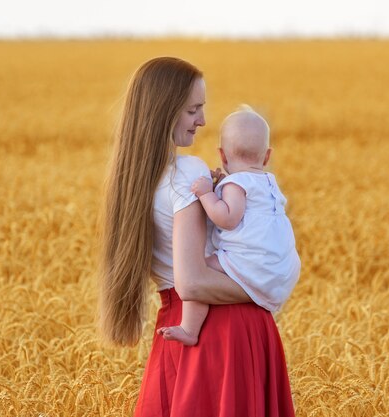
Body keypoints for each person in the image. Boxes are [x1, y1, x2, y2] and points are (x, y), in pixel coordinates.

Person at [99, 57, 296, 416]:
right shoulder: (186, 171)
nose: (203, 120)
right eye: (193, 110)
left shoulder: (131, 184)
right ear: (165, 111)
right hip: (226, 332)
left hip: (177, 328)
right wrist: (271, 286)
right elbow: (192, 283)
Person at [158, 105, 300, 346]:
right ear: (267, 156)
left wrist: (206, 195)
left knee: (201, 271)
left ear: (222, 156)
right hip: (281, 267)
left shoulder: (236, 183)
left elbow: (227, 218)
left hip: (247, 262)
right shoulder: (267, 182)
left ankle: (190, 329)